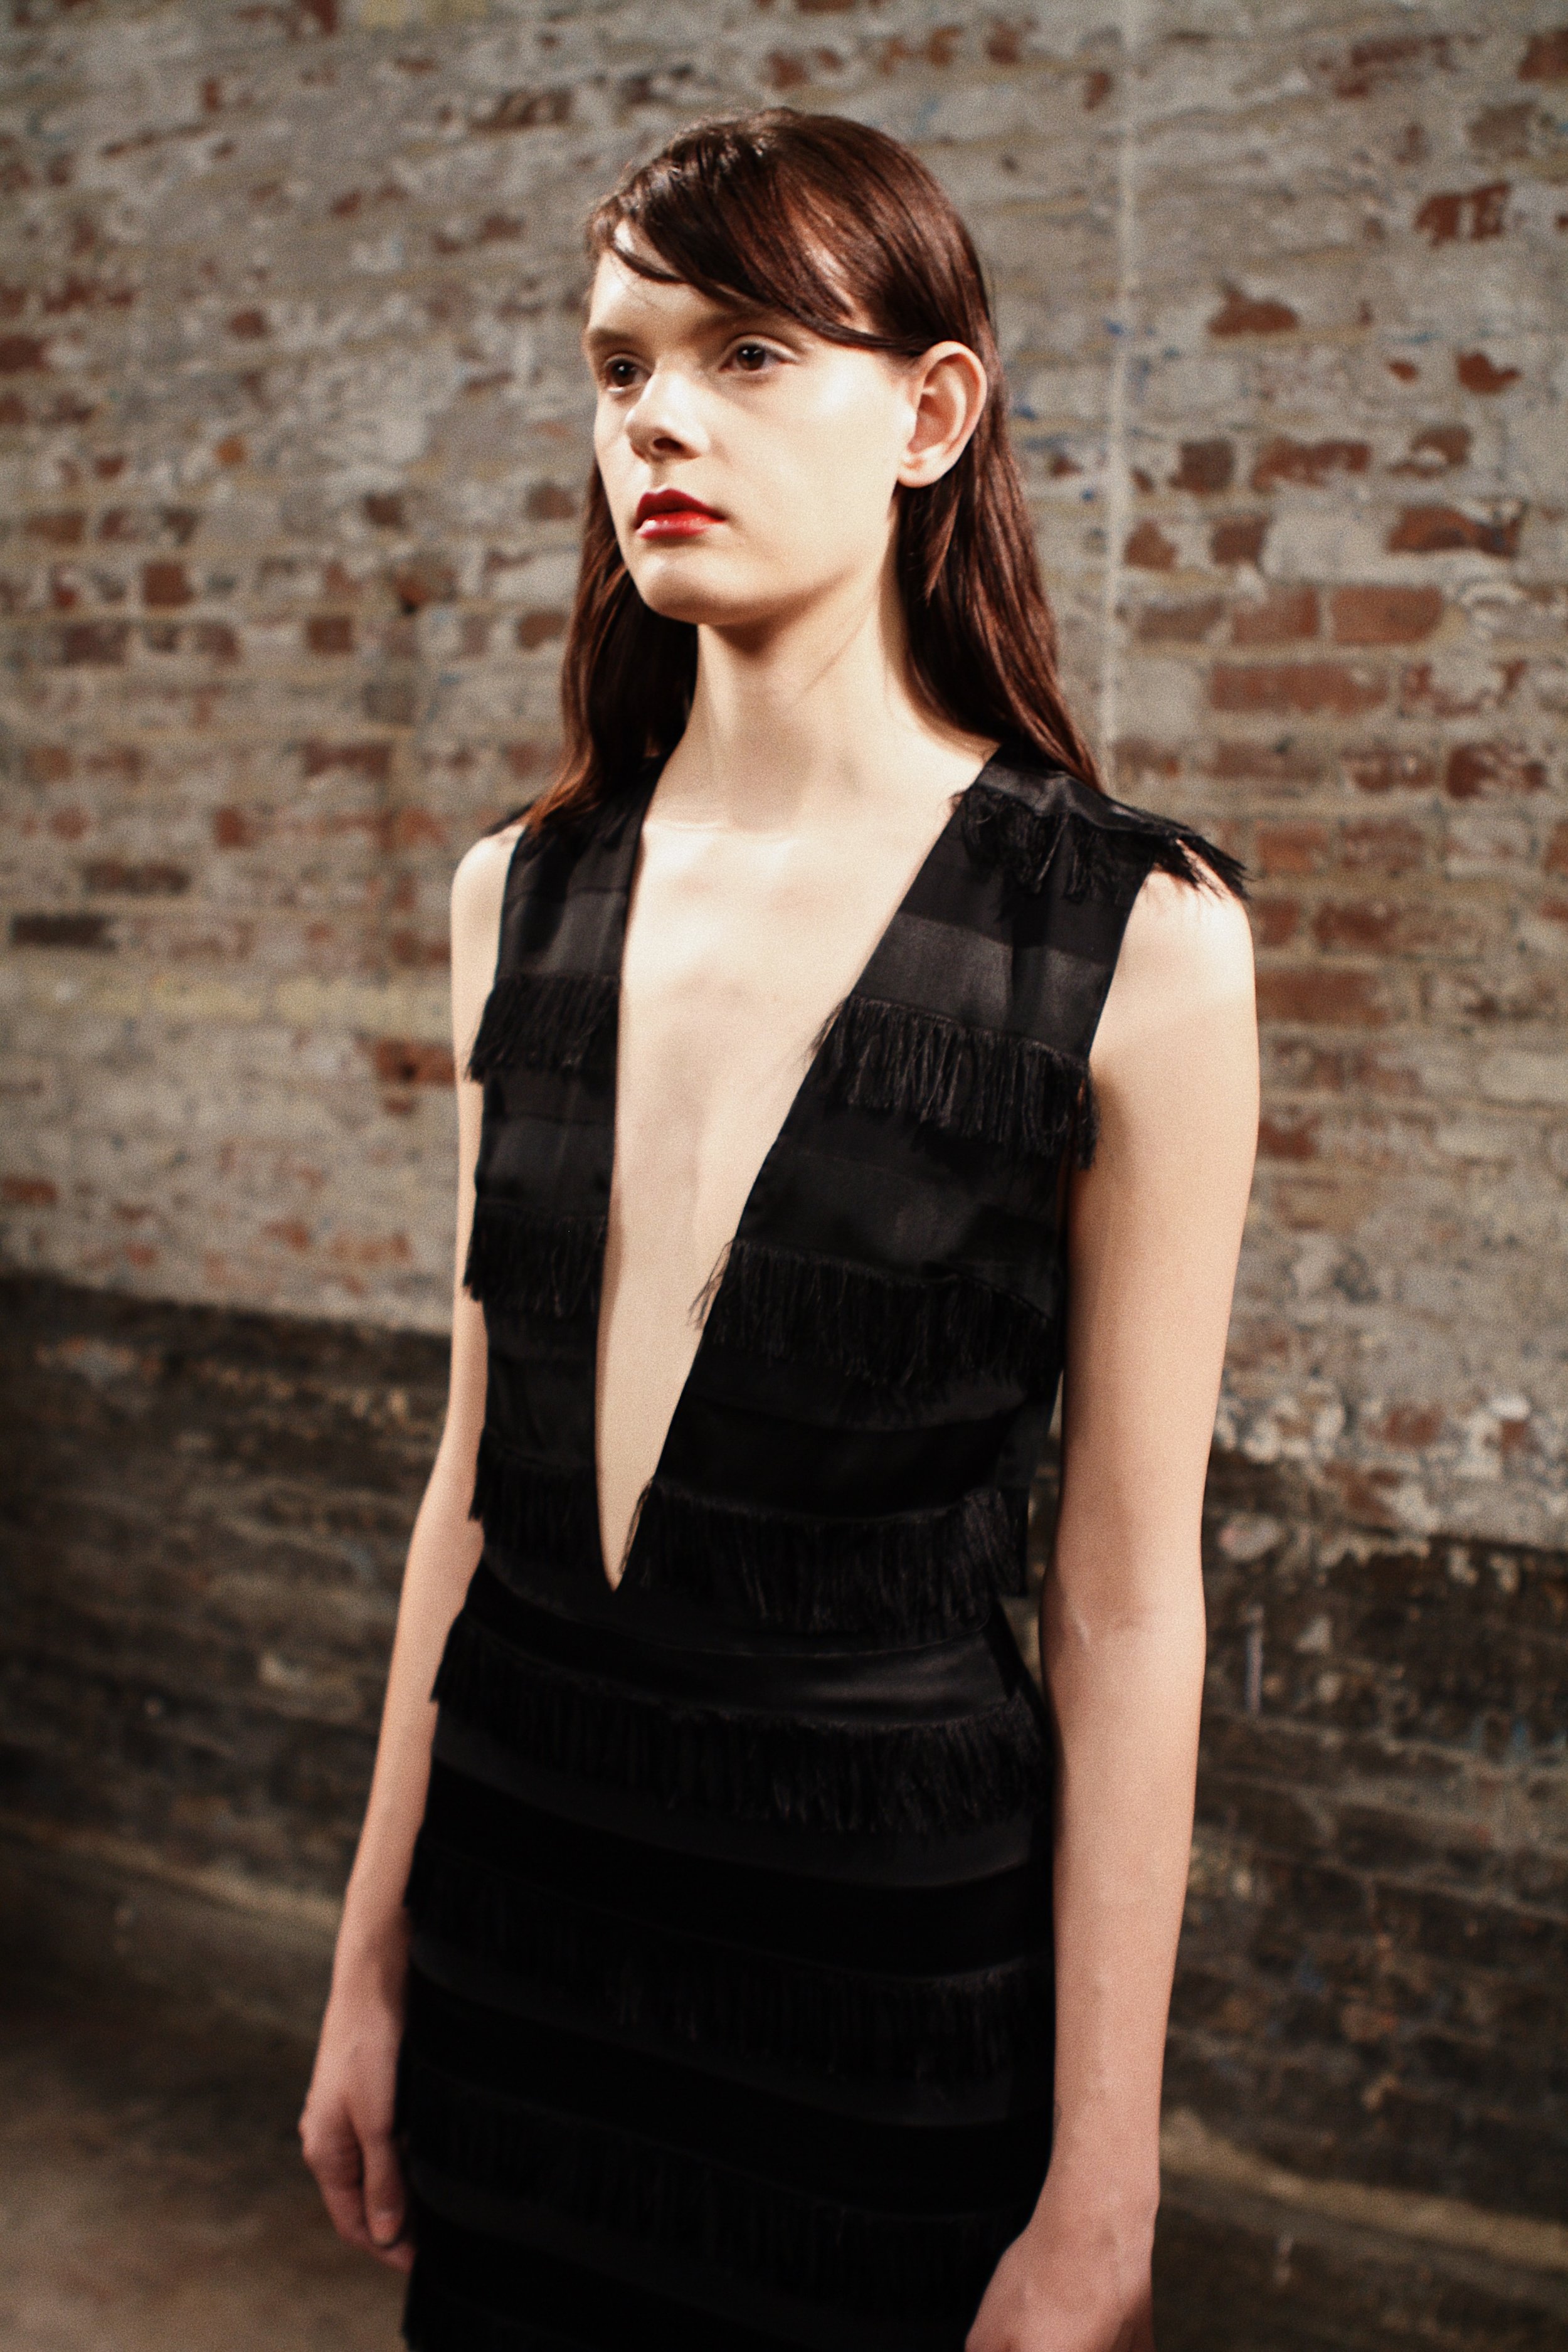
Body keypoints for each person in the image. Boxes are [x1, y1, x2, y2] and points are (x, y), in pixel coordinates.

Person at [300, 107, 1258, 2352]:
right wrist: (366, 1960)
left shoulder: (1135, 938)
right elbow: (473, 1477)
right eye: (620, 364)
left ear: (931, 415)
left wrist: (1103, 2195)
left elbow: (1126, 1597)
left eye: (745, 354)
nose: (656, 418)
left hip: (879, 1973)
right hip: (520, 1925)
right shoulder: (518, 893)